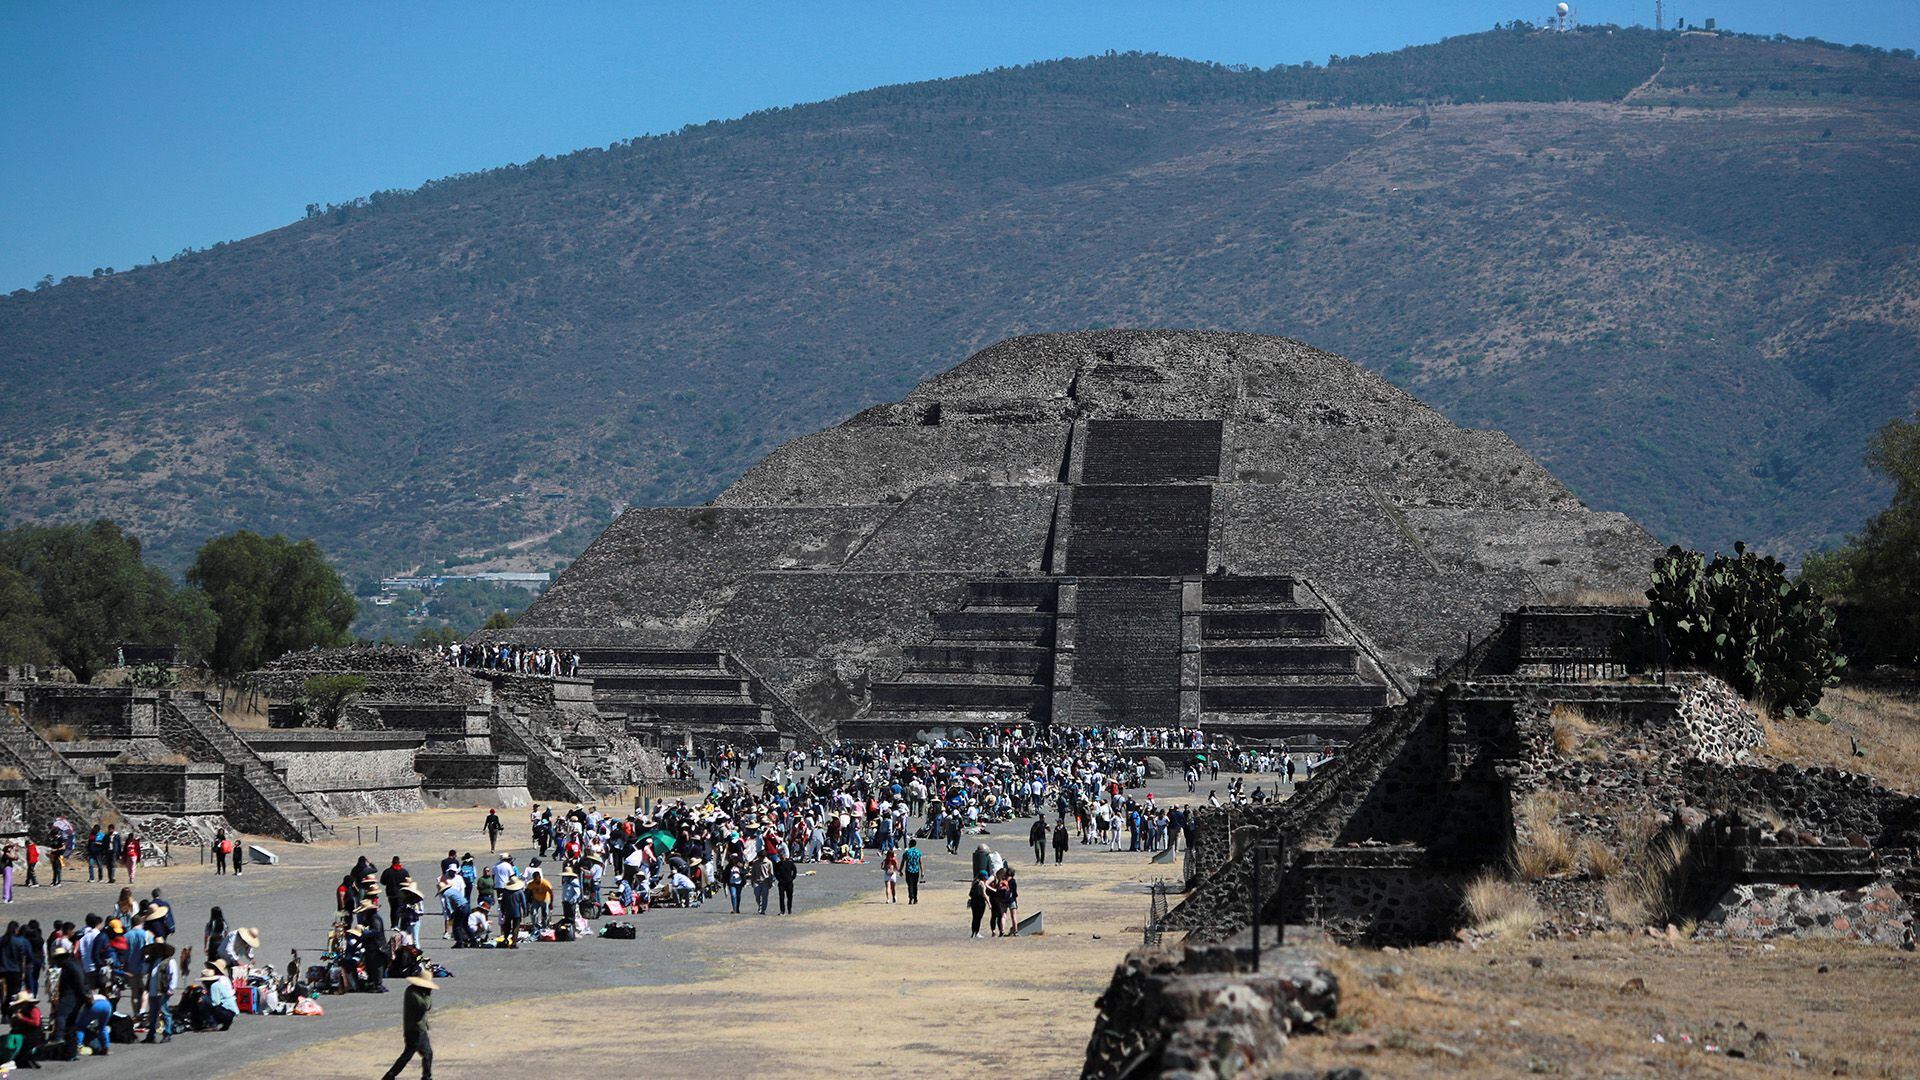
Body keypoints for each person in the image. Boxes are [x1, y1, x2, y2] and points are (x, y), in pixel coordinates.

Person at [381, 972, 435, 1080]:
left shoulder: (418, 992)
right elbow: (425, 1006)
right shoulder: (412, 992)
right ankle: (390, 1076)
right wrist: (428, 995)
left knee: (427, 1053)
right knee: (408, 1055)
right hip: (414, 1029)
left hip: (420, 1029)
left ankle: (426, 1076)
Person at [140, 941, 175, 1043]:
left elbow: (173, 975)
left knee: (165, 1012)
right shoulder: (152, 961)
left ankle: (167, 1033)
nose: (157, 950)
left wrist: (171, 989)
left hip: (162, 991)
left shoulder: (169, 961)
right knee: (153, 1014)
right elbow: (143, 971)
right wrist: (146, 961)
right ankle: (151, 1035)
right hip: (152, 991)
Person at [8, 989, 42, 1069]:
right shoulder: (20, 1011)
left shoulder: (34, 1010)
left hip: (33, 1035)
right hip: (24, 1033)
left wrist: (22, 1018)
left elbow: (36, 1023)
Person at [381, 856, 410, 924]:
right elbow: (408, 881)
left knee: (393, 909)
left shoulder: (387, 871)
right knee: (400, 908)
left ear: (392, 862)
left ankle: (394, 924)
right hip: (401, 894)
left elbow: (383, 882)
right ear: (399, 862)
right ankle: (400, 924)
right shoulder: (404, 871)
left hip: (391, 893)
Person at [966, 872, 988, 939]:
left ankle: (973, 932)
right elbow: (984, 894)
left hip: (973, 901)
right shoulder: (981, 883)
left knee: (974, 917)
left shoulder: (974, 882)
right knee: (979, 918)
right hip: (980, 902)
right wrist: (989, 903)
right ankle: (977, 932)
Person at [902, 839, 923, 905]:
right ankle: (915, 899)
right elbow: (920, 863)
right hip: (916, 870)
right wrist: (922, 871)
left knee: (910, 885)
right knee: (915, 885)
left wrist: (900, 870)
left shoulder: (907, 852)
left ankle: (911, 898)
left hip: (909, 870)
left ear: (910, 844)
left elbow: (903, 862)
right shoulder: (918, 852)